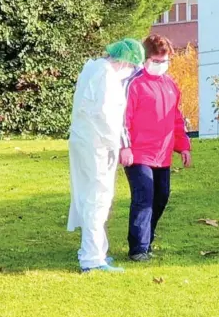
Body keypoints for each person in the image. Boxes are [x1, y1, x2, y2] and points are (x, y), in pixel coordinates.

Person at [67, 38, 145, 272]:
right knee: (97, 199)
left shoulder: (92, 68)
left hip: (86, 141)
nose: (131, 72)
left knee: (91, 196)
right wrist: (117, 145)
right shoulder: (107, 77)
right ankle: (92, 259)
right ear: (124, 61)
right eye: (132, 66)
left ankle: (95, 251)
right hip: (98, 144)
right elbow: (106, 115)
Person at [119, 35, 192, 262]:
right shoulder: (132, 83)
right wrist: (125, 147)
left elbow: (176, 118)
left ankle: (146, 240)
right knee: (144, 197)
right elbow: (122, 117)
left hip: (163, 154)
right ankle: (138, 249)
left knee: (161, 197)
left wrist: (183, 146)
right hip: (139, 153)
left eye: (165, 60)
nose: (161, 64)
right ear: (146, 58)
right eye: (156, 59)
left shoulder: (170, 85)